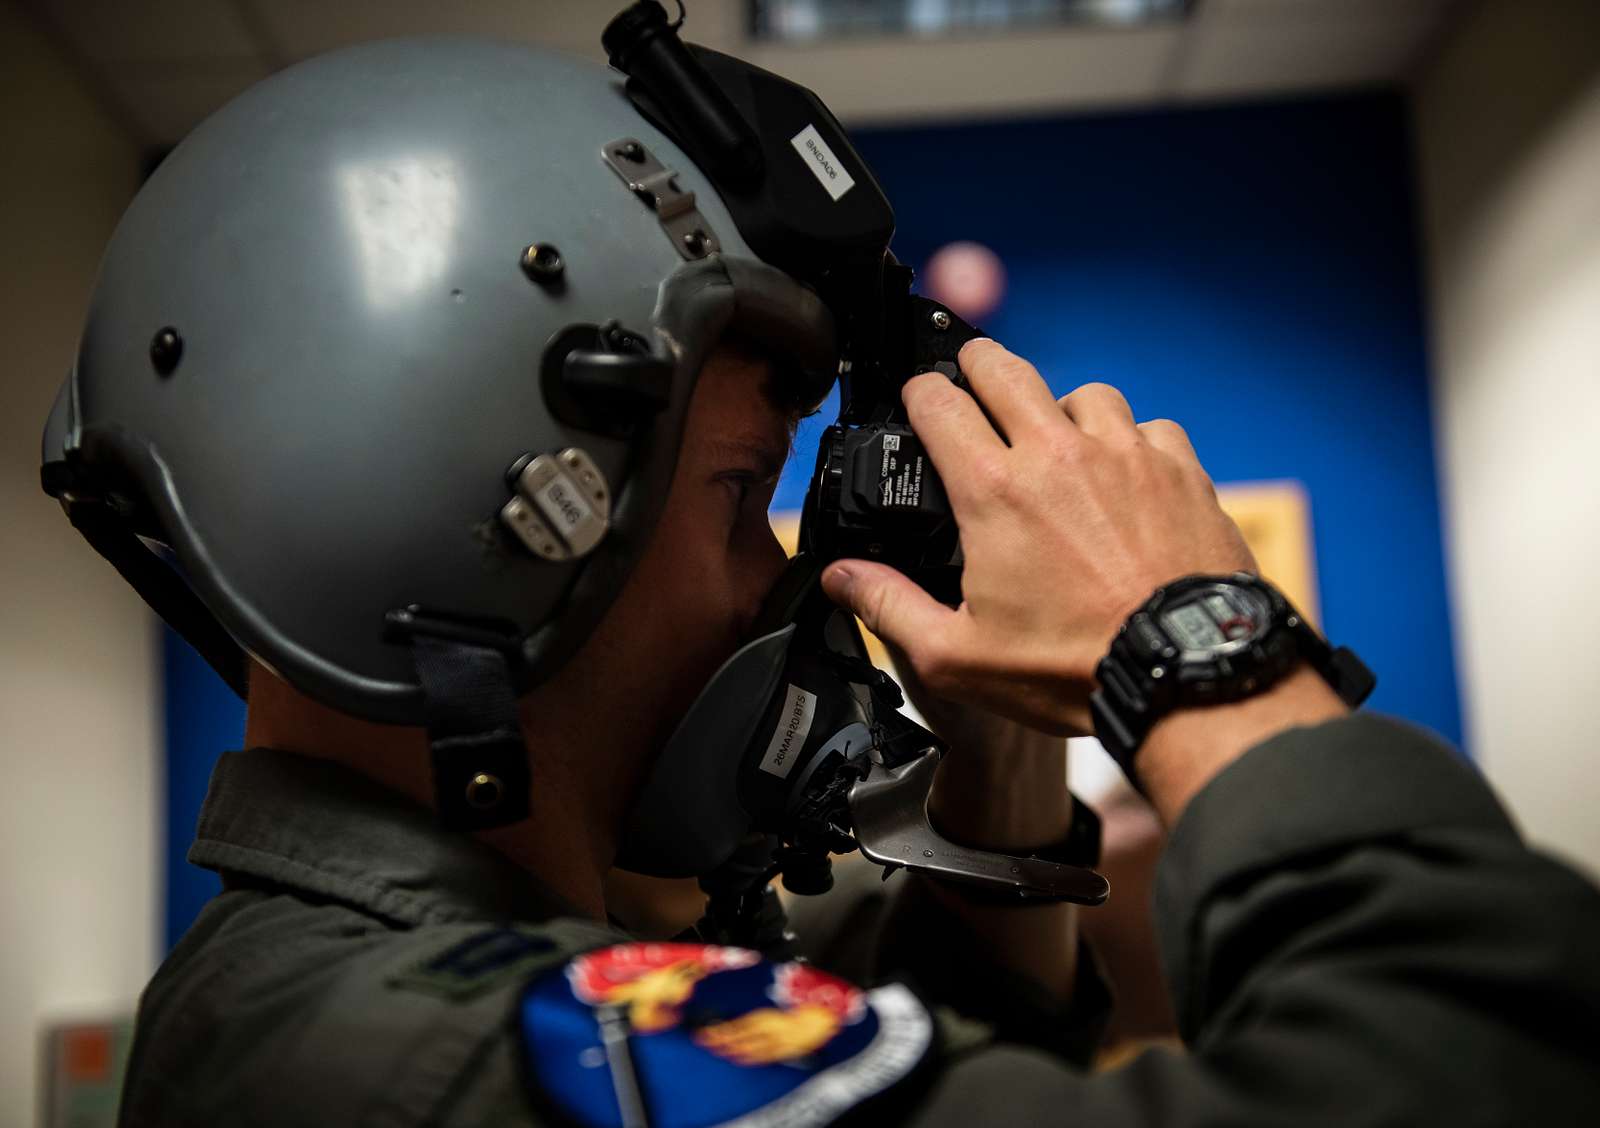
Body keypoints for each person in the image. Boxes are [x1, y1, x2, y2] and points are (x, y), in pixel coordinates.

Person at [42, 26, 1600, 1128]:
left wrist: (996, 742)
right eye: (737, 500)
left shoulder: (383, 983)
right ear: (466, 524)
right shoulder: (379, 1059)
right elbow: (1486, 1069)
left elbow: (942, 1076)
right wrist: (1199, 649)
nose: (770, 584)